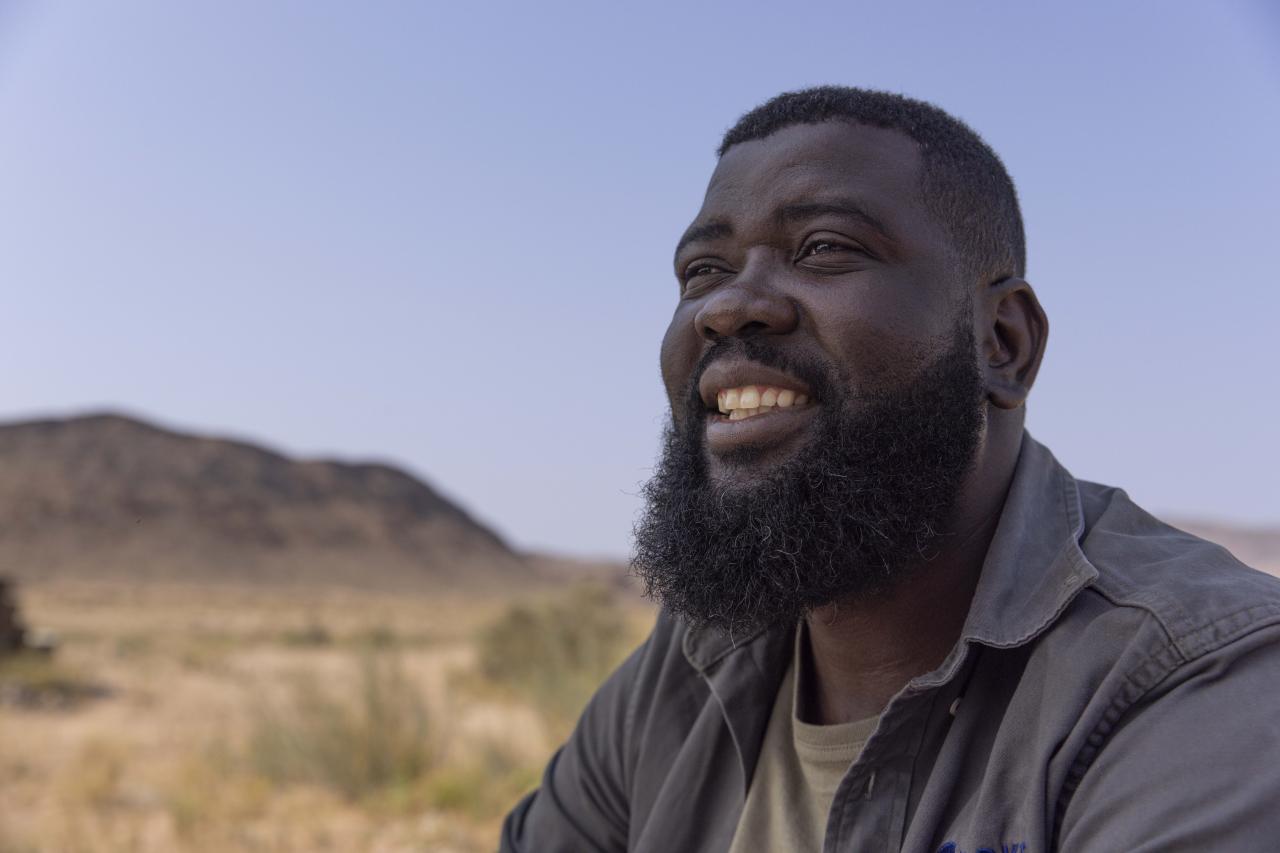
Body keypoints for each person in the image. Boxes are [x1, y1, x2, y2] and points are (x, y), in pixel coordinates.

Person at [500, 86, 1280, 852]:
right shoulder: (692, 665)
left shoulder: (1202, 681)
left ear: (1002, 343)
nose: (727, 306)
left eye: (825, 248)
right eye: (704, 268)